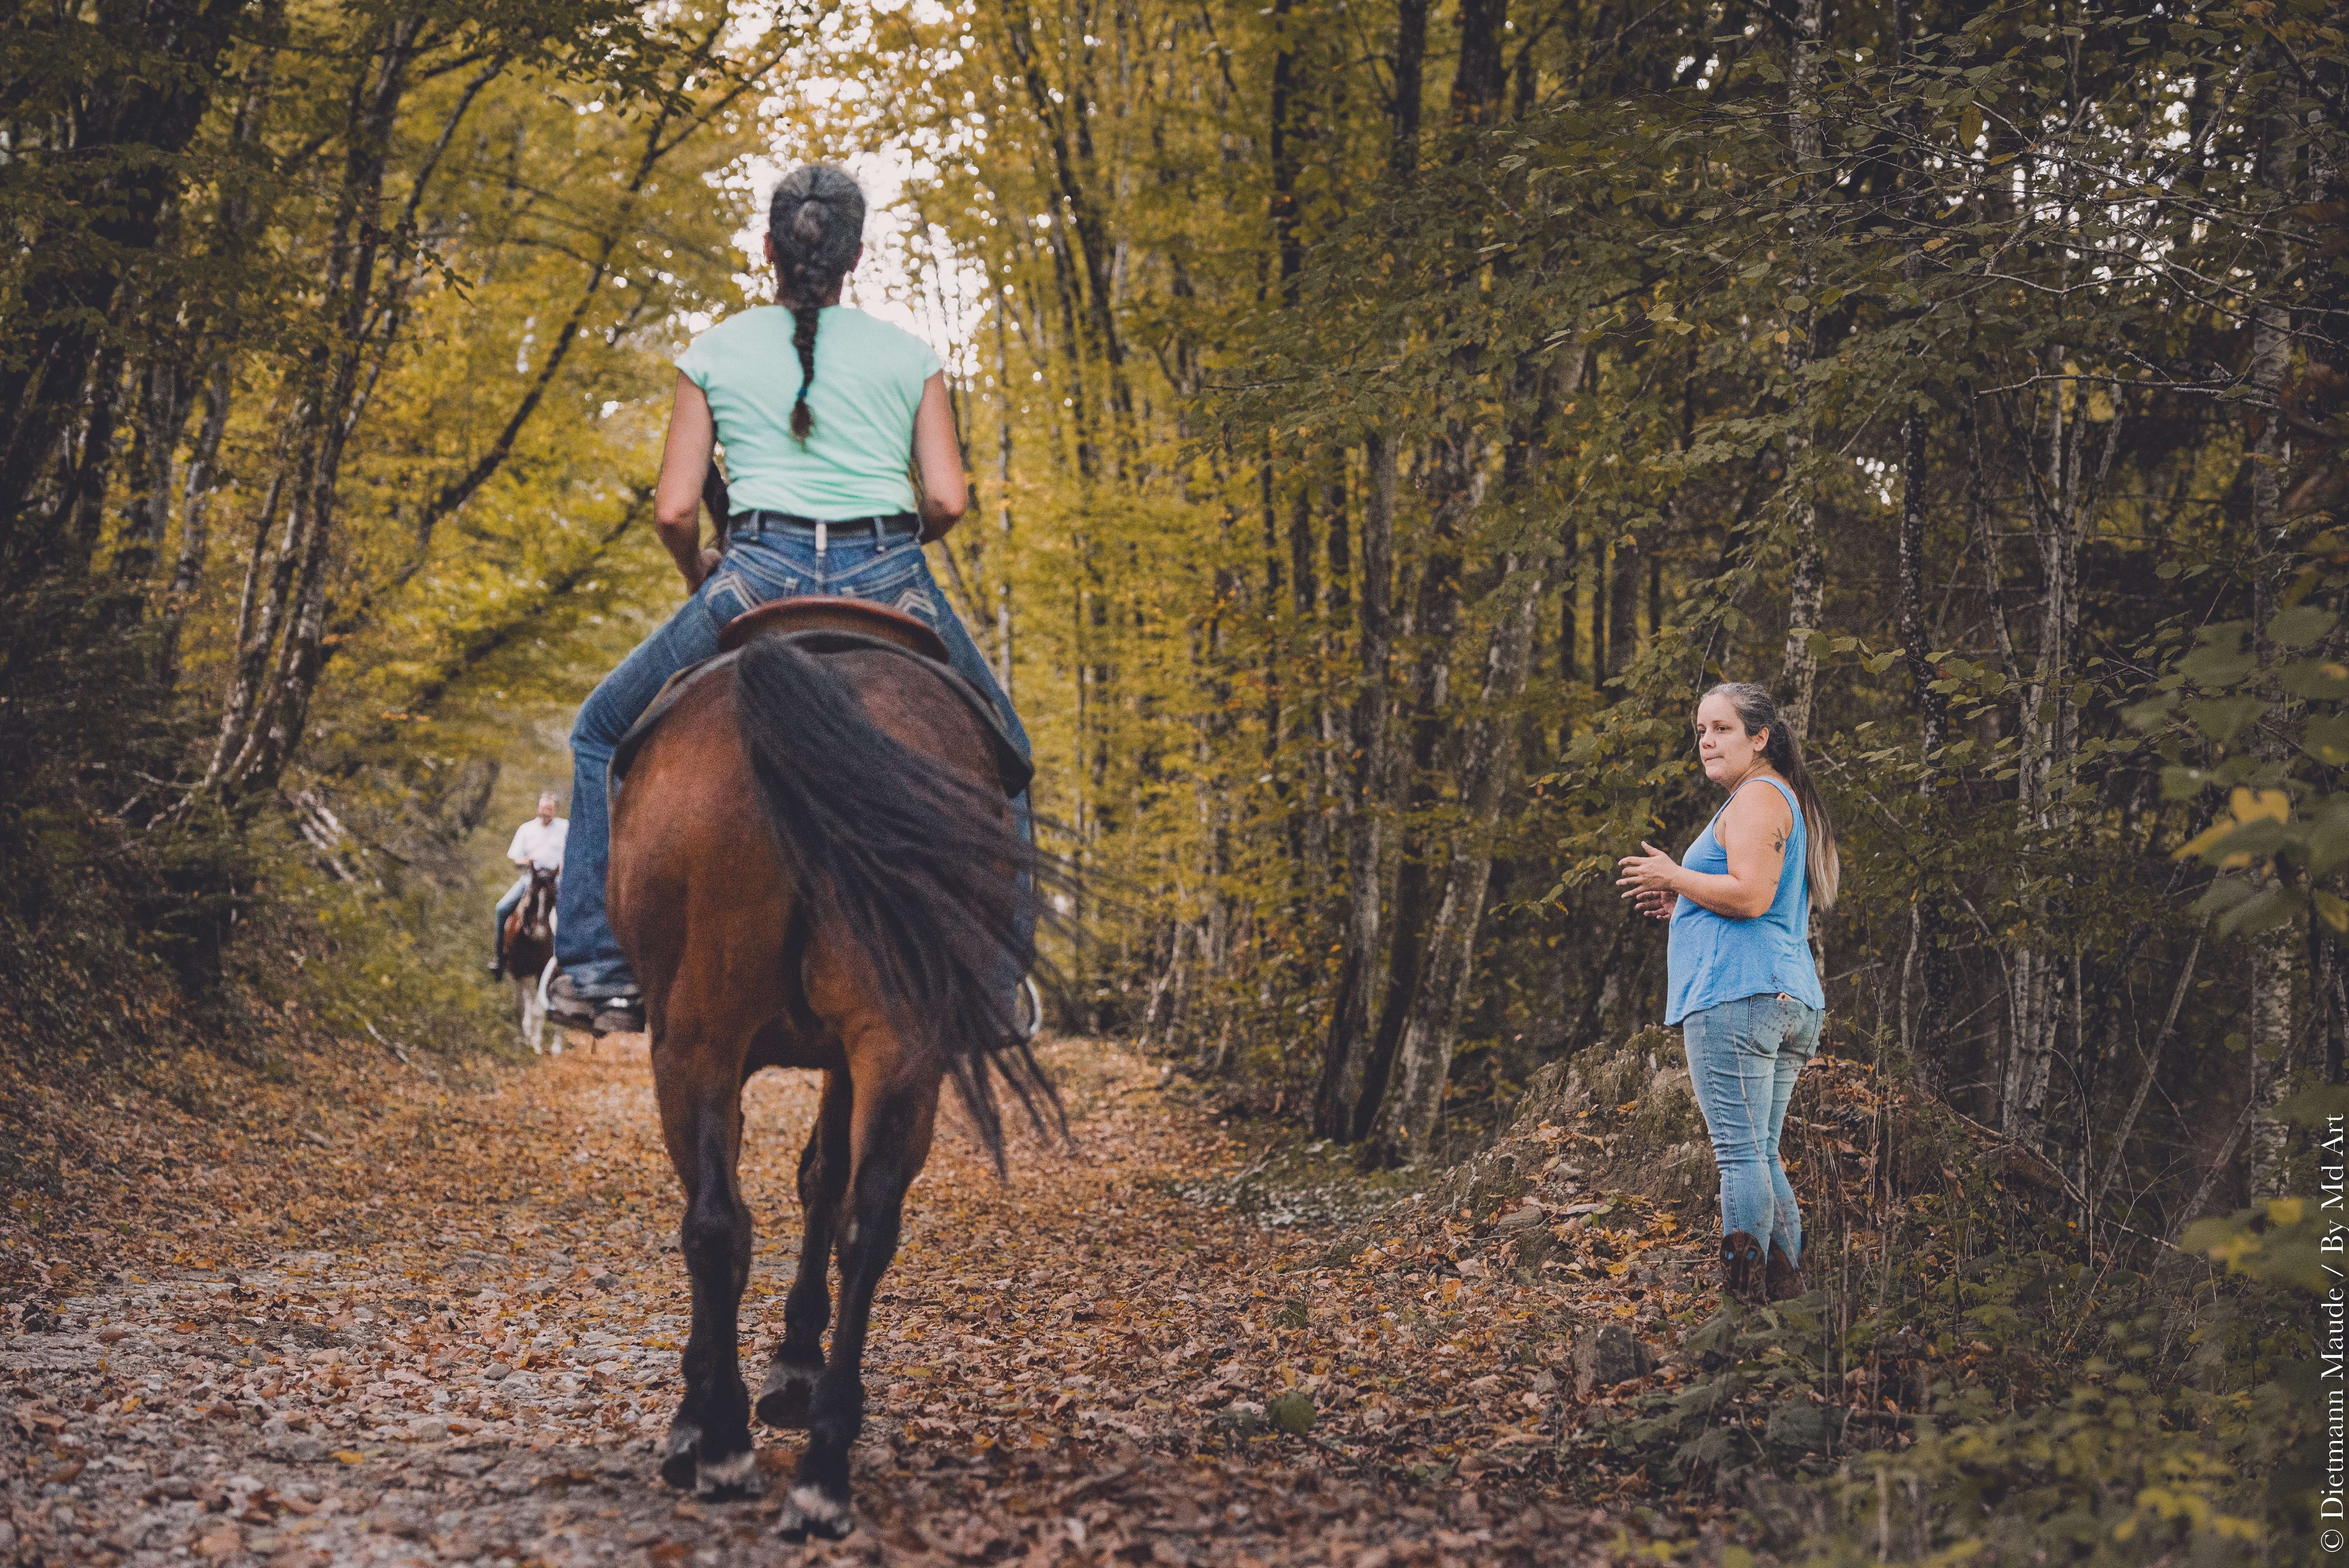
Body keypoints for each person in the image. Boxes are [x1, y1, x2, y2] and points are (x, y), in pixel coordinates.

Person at [548, 163, 1031, 1036]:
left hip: (755, 573)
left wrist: (700, 572)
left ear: (768, 248)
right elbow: (950, 500)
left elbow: (674, 508)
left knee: (600, 729)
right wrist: (887, 545)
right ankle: (998, 986)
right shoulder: (910, 355)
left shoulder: (713, 352)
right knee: (1008, 754)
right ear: (856, 254)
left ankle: (595, 965)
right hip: (889, 573)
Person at [1615, 682, 1839, 1306]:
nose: (1707, 743)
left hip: (1739, 997)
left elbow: (1751, 897)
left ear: (1760, 737)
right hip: (1785, 998)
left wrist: (1671, 874)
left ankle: (1743, 1306)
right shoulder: (1772, 797)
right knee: (1760, 1156)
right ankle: (1789, 1300)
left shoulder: (1758, 798)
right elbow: (1747, 893)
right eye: (1701, 732)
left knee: (1739, 1158)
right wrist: (1683, 892)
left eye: (1722, 730)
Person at [491, 791, 568, 978]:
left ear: (555, 810)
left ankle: (573, 961)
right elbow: (516, 857)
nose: (545, 813)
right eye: (543, 809)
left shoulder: (566, 828)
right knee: (502, 908)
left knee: (573, 913)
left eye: (549, 809)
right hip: (531, 879)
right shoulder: (526, 829)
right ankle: (500, 958)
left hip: (556, 880)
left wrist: (564, 866)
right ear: (538, 809)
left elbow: (573, 853)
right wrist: (526, 861)